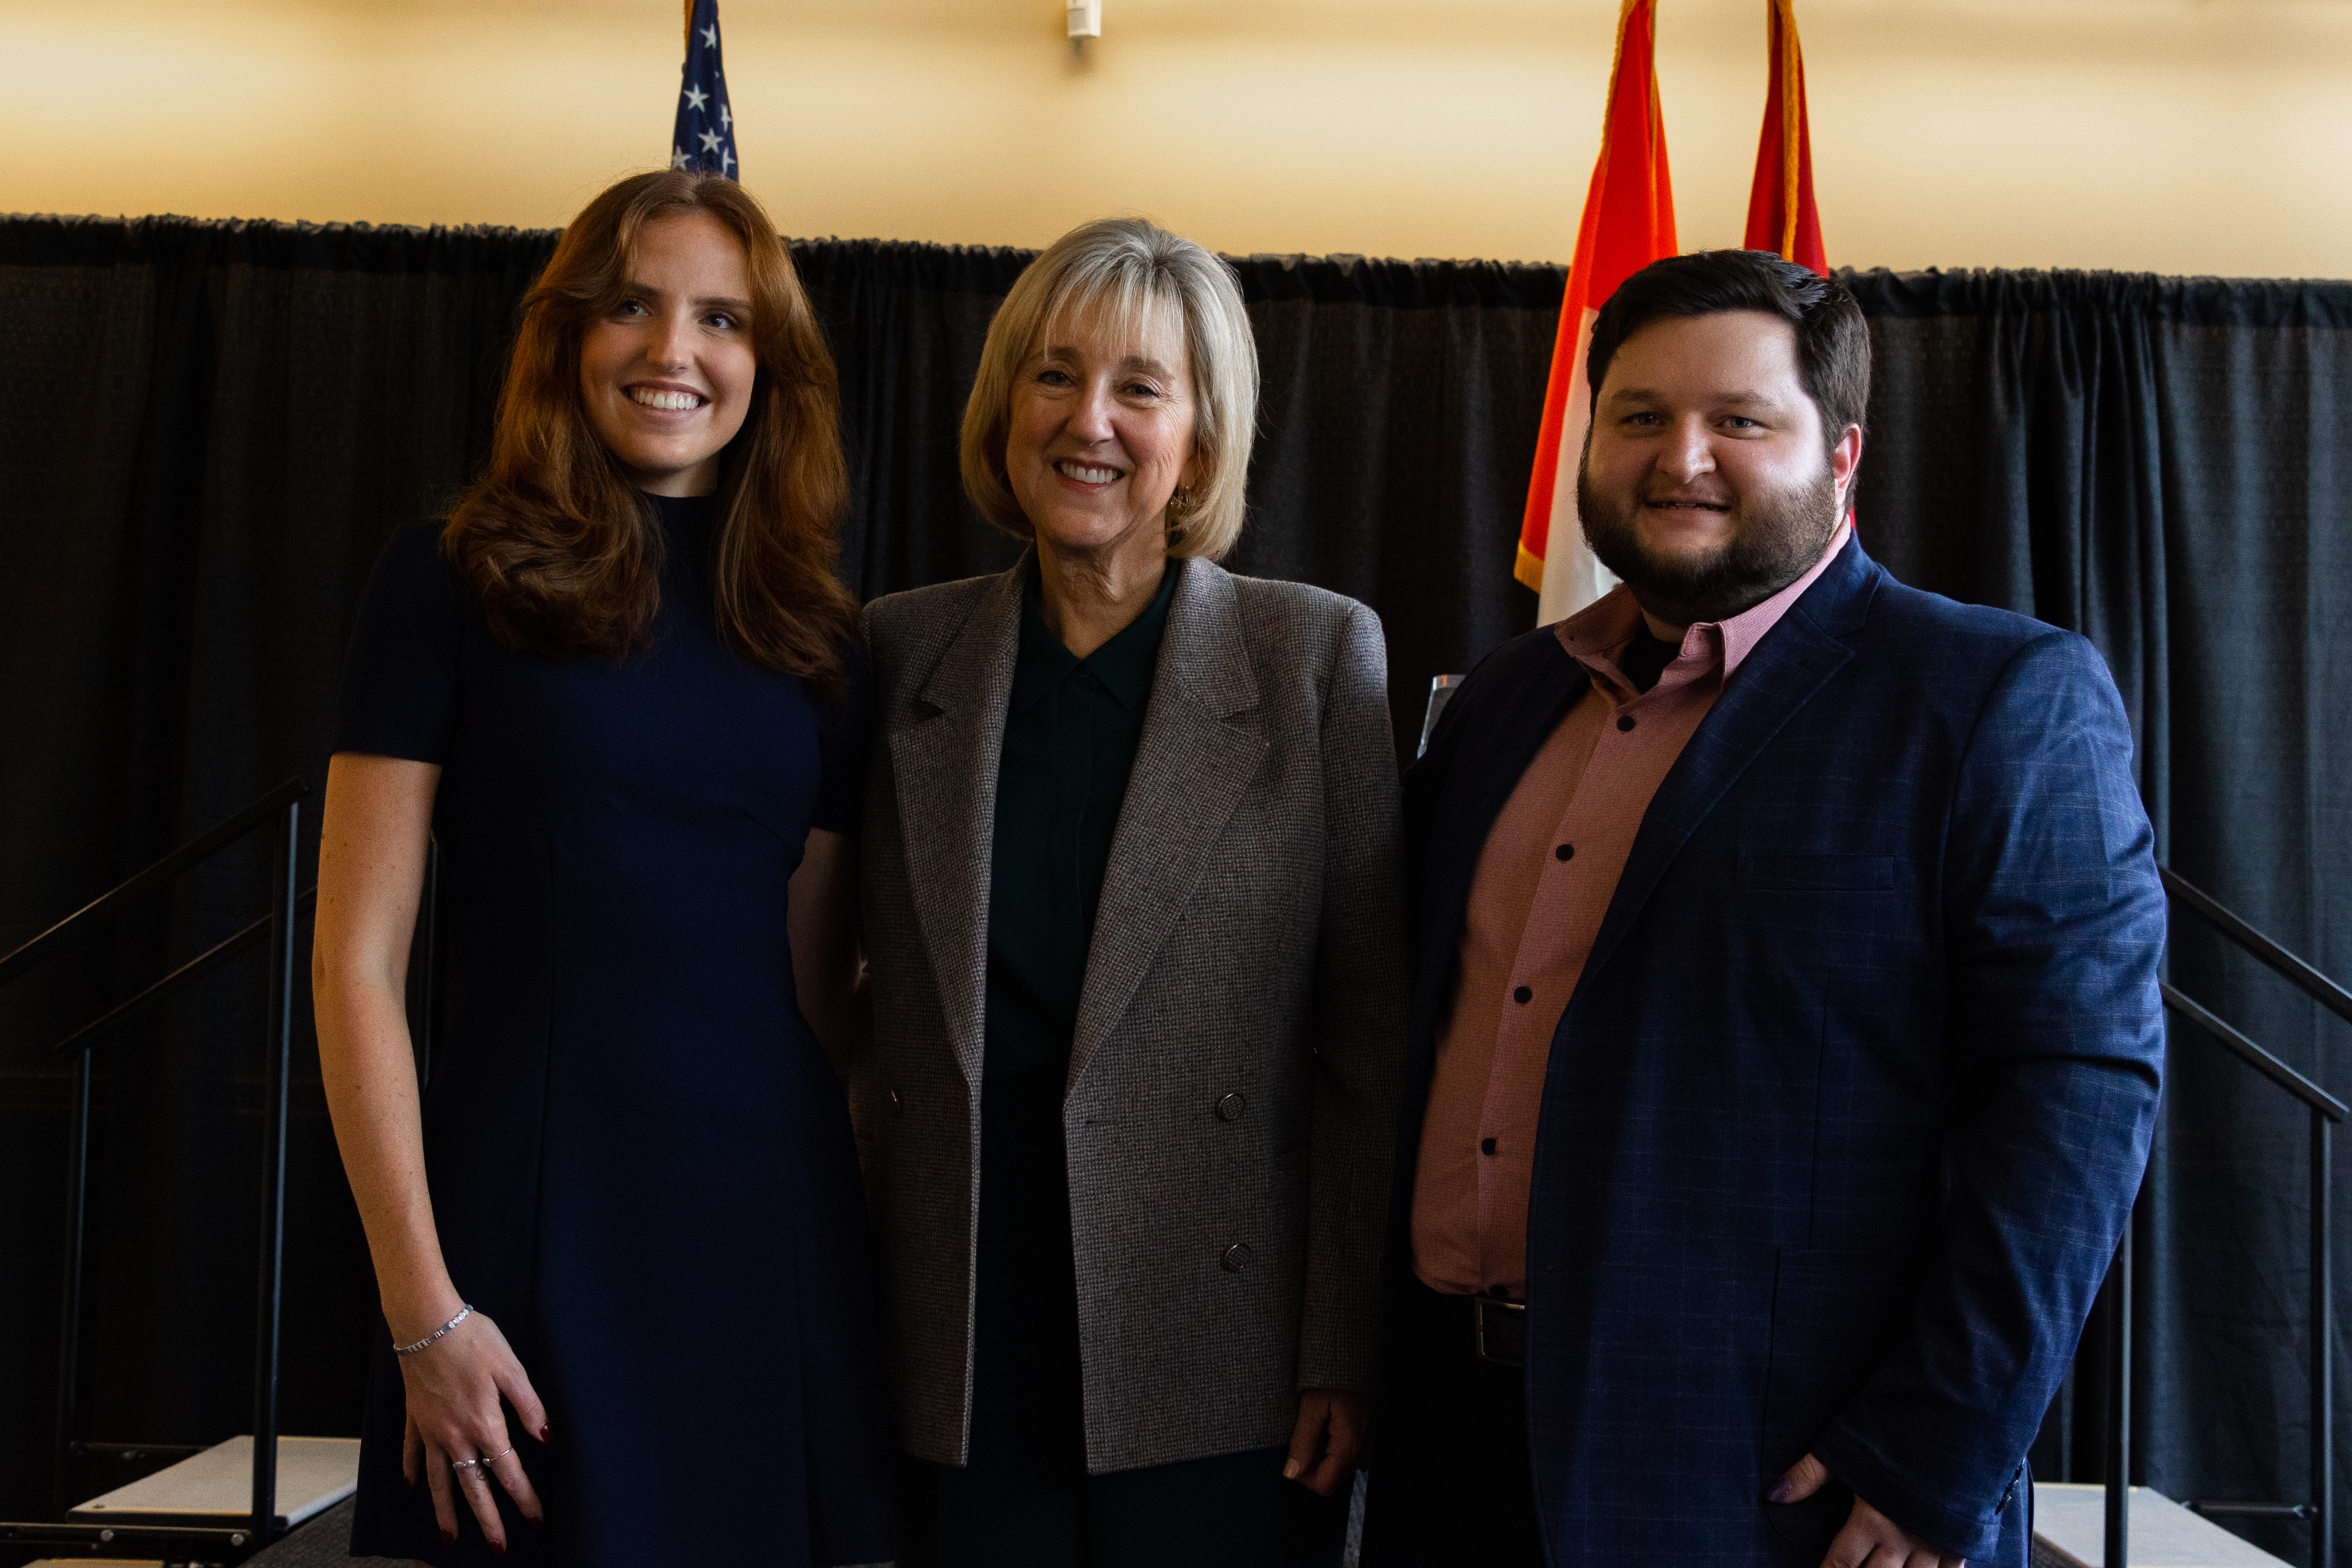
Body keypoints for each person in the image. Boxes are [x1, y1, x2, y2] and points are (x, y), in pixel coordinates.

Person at [1363, 250, 2166, 1568]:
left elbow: (2076, 1097)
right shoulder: (1503, 702)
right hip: (1454, 1447)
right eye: (1640, 415)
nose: (1681, 458)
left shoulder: (1993, 698)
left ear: (1843, 456)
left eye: (1738, 419)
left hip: (1780, 1484)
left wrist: (1937, 1452)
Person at [312, 169, 892, 1568]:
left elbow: (817, 1000)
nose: (673, 350)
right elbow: (354, 965)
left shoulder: (820, 633)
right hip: (528, 1241)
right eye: (632, 305)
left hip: (769, 1247)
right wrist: (423, 1310)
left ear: (771, 362)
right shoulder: (447, 578)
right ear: (569, 331)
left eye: (722, 319)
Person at [856, 217, 1408, 1568]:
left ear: (1201, 441)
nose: (1087, 420)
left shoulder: (1314, 658)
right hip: (956, 1321)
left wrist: (1344, 1349)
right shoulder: (897, 651)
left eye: (1139, 388)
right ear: (1006, 409)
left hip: (1221, 1338)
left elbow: (1373, 1052)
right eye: (1054, 375)